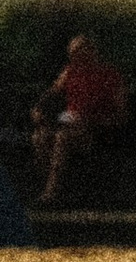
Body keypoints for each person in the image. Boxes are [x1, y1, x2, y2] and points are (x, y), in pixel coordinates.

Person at [31, 34, 128, 206]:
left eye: (80, 51)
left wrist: (91, 120)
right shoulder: (70, 72)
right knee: (40, 136)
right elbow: (51, 94)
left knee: (62, 138)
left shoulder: (110, 75)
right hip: (69, 122)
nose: (76, 56)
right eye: (73, 52)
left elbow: (121, 115)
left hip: (95, 130)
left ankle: (51, 194)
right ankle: (48, 186)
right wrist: (39, 109)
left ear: (92, 51)